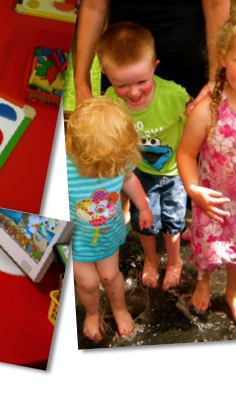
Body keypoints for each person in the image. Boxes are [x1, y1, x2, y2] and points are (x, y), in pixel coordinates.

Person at [177, 8, 236, 327]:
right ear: (224, 57)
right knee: (207, 249)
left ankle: (233, 294)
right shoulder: (208, 110)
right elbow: (186, 154)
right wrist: (193, 189)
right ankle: (203, 279)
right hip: (210, 204)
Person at [98, 22, 188, 290]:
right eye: (122, 85)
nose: (134, 92)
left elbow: (197, 128)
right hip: (138, 175)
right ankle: (151, 259)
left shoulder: (175, 96)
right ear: (106, 75)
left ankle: (174, 261)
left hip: (174, 174)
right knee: (143, 222)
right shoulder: (111, 101)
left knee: (173, 223)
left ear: (154, 67)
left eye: (142, 81)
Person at [74, 0, 236, 105]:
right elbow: (93, 5)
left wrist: (216, 81)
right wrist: (81, 82)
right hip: (122, 65)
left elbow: (216, 5)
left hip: (187, 68)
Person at [66, 97, 152, 340]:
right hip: (77, 240)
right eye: (97, 164)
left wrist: (143, 208)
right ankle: (92, 312)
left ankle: (119, 308)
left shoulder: (117, 162)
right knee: (88, 283)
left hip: (107, 237)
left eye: (110, 163)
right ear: (78, 150)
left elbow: (130, 180)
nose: (105, 170)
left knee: (109, 276)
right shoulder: (65, 169)